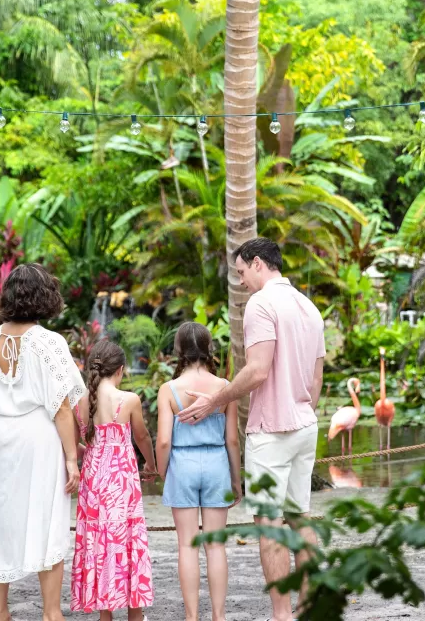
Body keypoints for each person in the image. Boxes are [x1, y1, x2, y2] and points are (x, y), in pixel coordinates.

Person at [178, 237, 325, 621]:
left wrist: (215, 399)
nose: (241, 281)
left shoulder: (261, 304)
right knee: (300, 517)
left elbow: (258, 370)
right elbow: (316, 380)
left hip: (273, 430)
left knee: (270, 525)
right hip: (305, 424)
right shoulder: (309, 307)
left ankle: (281, 615)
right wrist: (301, 406)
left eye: (241, 272)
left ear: (257, 263)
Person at [0, 263, 87, 621]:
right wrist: (72, 457)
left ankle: (0, 612)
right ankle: (52, 613)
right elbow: (63, 407)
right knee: (48, 517)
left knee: (4, 519)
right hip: (40, 437)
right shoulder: (48, 342)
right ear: (45, 296)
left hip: (5, 436)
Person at [155, 322, 242, 621]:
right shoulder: (224, 387)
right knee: (216, 546)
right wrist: (236, 480)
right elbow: (232, 439)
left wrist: (163, 473)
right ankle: (218, 615)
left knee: (187, 546)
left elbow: (164, 440)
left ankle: (192, 617)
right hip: (217, 463)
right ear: (208, 349)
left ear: (178, 350)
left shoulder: (168, 390)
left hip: (183, 464)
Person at [71, 338, 156, 620]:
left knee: (99, 541)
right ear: (120, 370)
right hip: (122, 480)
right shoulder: (129, 400)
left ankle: (105, 615)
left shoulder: (81, 402)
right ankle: (135, 613)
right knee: (127, 539)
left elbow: (75, 444)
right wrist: (151, 463)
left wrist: (94, 450)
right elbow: (142, 437)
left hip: (94, 479)